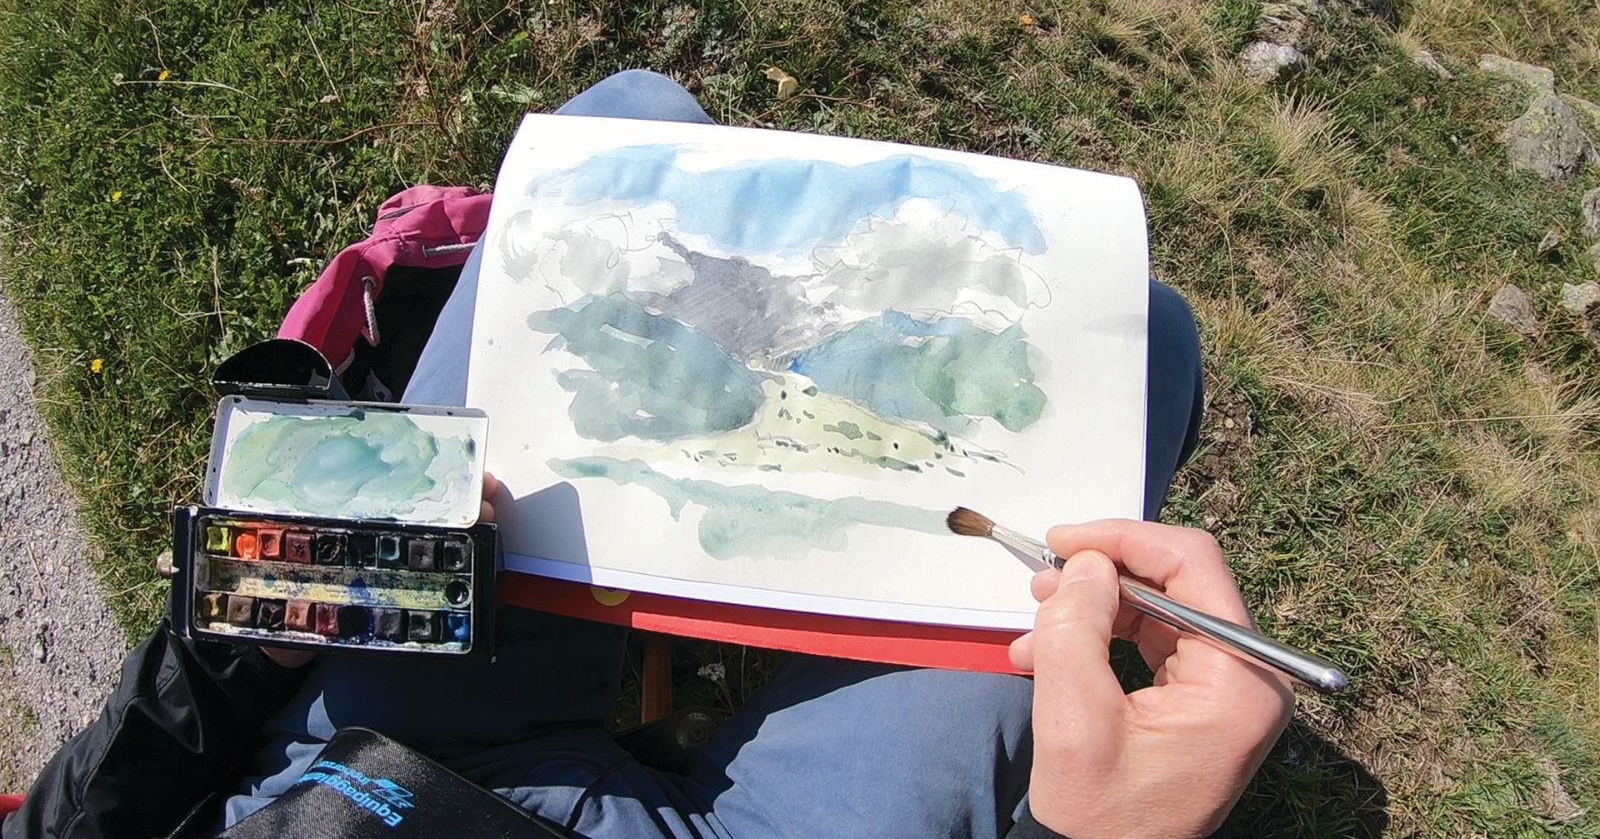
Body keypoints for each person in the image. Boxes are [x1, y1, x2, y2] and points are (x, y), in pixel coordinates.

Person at [3, 71, 1291, 839]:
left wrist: (250, 627)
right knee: (1149, 341)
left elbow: (92, 812)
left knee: (632, 123)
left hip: (362, 780)